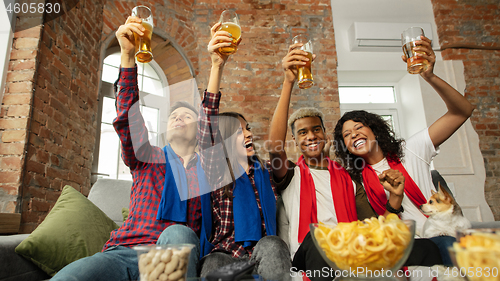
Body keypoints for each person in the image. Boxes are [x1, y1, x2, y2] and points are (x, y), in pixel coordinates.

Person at [51, 16, 212, 280]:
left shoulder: (206, 171)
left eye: (187, 115)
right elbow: (129, 119)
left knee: (178, 233)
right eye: (173, 116)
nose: (178, 118)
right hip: (123, 252)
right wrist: (127, 55)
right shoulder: (148, 157)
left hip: (170, 253)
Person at [268, 39, 405, 280]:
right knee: (320, 237)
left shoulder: (350, 180)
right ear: (294, 140)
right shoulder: (290, 174)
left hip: (346, 254)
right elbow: (273, 148)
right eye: (302, 132)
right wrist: (288, 82)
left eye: (316, 130)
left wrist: (394, 197)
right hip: (308, 254)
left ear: (325, 133)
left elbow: (376, 227)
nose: (311, 136)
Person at [333, 36, 475, 266]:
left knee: (451, 246)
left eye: (359, 128)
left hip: (444, 234)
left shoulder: (412, 150)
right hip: (411, 244)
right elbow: (385, 227)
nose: (354, 135)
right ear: (345, 147)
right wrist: (395, 197)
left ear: (375, 131)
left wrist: (429, 76)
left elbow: (461, 112)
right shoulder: (360, 180)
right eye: (347, 135)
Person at [197, 22, 290, 280]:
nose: (249, 134)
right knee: (213, 262)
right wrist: (217, 65)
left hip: (263, 254)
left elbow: (276, 146)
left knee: (273, 244)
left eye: (248, 128)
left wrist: (288, 81)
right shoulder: (216, 170)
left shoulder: (266, 173)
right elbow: (206, 129)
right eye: (239, 132)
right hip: (226, 254)